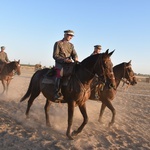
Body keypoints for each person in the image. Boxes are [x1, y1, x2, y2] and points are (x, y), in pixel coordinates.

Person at [53, 30, 78, 99]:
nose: (71, 37)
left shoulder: (71, 45)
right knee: (60, 75)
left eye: (72, 36)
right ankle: (57, 92)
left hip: (69, 64)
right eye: (69, 35)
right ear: (65, 35)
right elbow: (55, 55)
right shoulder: (58, 43)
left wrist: (75, 58)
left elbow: (74, 54)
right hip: (60, 64)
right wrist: (64, 60)